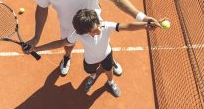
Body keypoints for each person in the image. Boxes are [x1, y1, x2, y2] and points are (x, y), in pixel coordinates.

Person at [24, 0, 157, 77]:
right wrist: (37, 37)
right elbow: (42, 8)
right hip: (68, 25)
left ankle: (109, 60)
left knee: (104, 43)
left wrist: (142, 17)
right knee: (68, 45)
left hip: (94, 23)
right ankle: (67, 57)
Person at [32, 9, 165, 97]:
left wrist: (145, 25)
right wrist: (36, 49)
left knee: (108, 70)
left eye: (97, 27)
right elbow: (61, 43)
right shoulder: (78, 35)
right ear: (84, 32)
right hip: (90, 60)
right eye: (94, 31)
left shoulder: (105, 26)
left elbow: (127, 26)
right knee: (91, 71)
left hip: (106, 54)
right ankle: (93, 77)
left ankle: (110, 82)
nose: (99, 31)